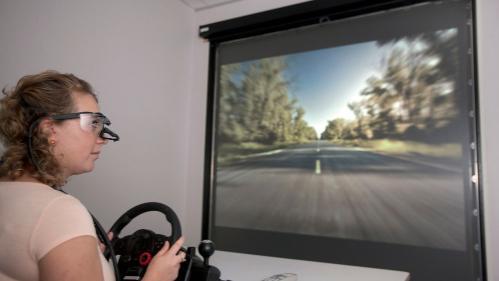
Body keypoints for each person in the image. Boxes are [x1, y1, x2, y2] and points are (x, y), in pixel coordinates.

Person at [0, 70, 186, 281]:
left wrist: (84, 253)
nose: (103, 138)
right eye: (93, 123)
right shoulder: (60, 212)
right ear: (50, 130)